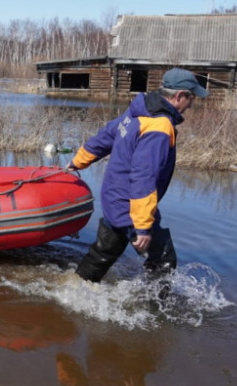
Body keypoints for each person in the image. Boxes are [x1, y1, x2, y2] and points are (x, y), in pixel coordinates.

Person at [67, 68, 208, 283]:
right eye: (192, 97)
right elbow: (144, 176)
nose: (192, 103)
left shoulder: (139, 111)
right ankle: (157, 314)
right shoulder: (159, 127)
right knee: (163, 262)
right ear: (179, 96)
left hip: (114, 198)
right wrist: (142, 225)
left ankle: (75, 289)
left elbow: (106, 136)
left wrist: (78, 161)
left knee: (103, 254)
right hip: (130, 205)